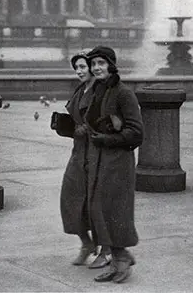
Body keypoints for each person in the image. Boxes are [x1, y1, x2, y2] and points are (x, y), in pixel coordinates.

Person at [84, 46, 144, 284]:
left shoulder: (123, 93)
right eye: (93, 64)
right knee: (100, 209)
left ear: (111, 64)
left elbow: (137, 133)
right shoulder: (98, 91)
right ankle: (118, 257)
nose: (96, 68)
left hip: (118, 161)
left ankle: (121, 258)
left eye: (101, 63)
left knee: (115, 210)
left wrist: (107, 139)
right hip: (99, 159)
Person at [54, 51, 111, 269]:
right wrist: (67, 126)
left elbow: (108, 121)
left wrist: (86, 129)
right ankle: (87, 244)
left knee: (97, 203)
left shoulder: (101, 91)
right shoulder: (81, 89)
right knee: (69, 198)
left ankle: (106, 251)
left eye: (82, 67)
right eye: (76, 68)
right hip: (79, 152)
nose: (79, 71)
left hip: (97, 153)